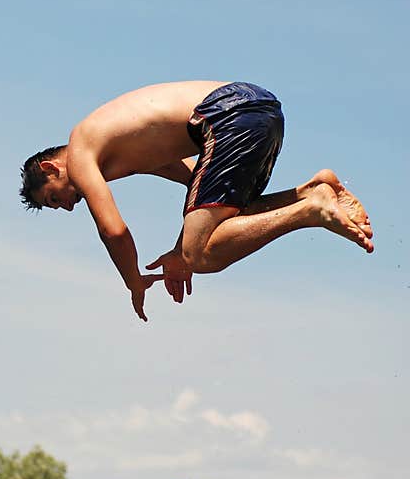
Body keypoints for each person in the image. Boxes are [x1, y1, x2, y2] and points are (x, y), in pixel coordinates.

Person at [19, 81, 373, 322]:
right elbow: (198, 190)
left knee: (201, 255)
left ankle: (312, 210)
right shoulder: (125, 147)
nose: (68, 206)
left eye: (54, 198)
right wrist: (177, 252)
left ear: (51, 167)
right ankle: (312, 191)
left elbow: (113, 231)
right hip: (257, 110)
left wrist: (134, 281)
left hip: (226, 117)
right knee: (227, 226)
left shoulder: (81, 150)